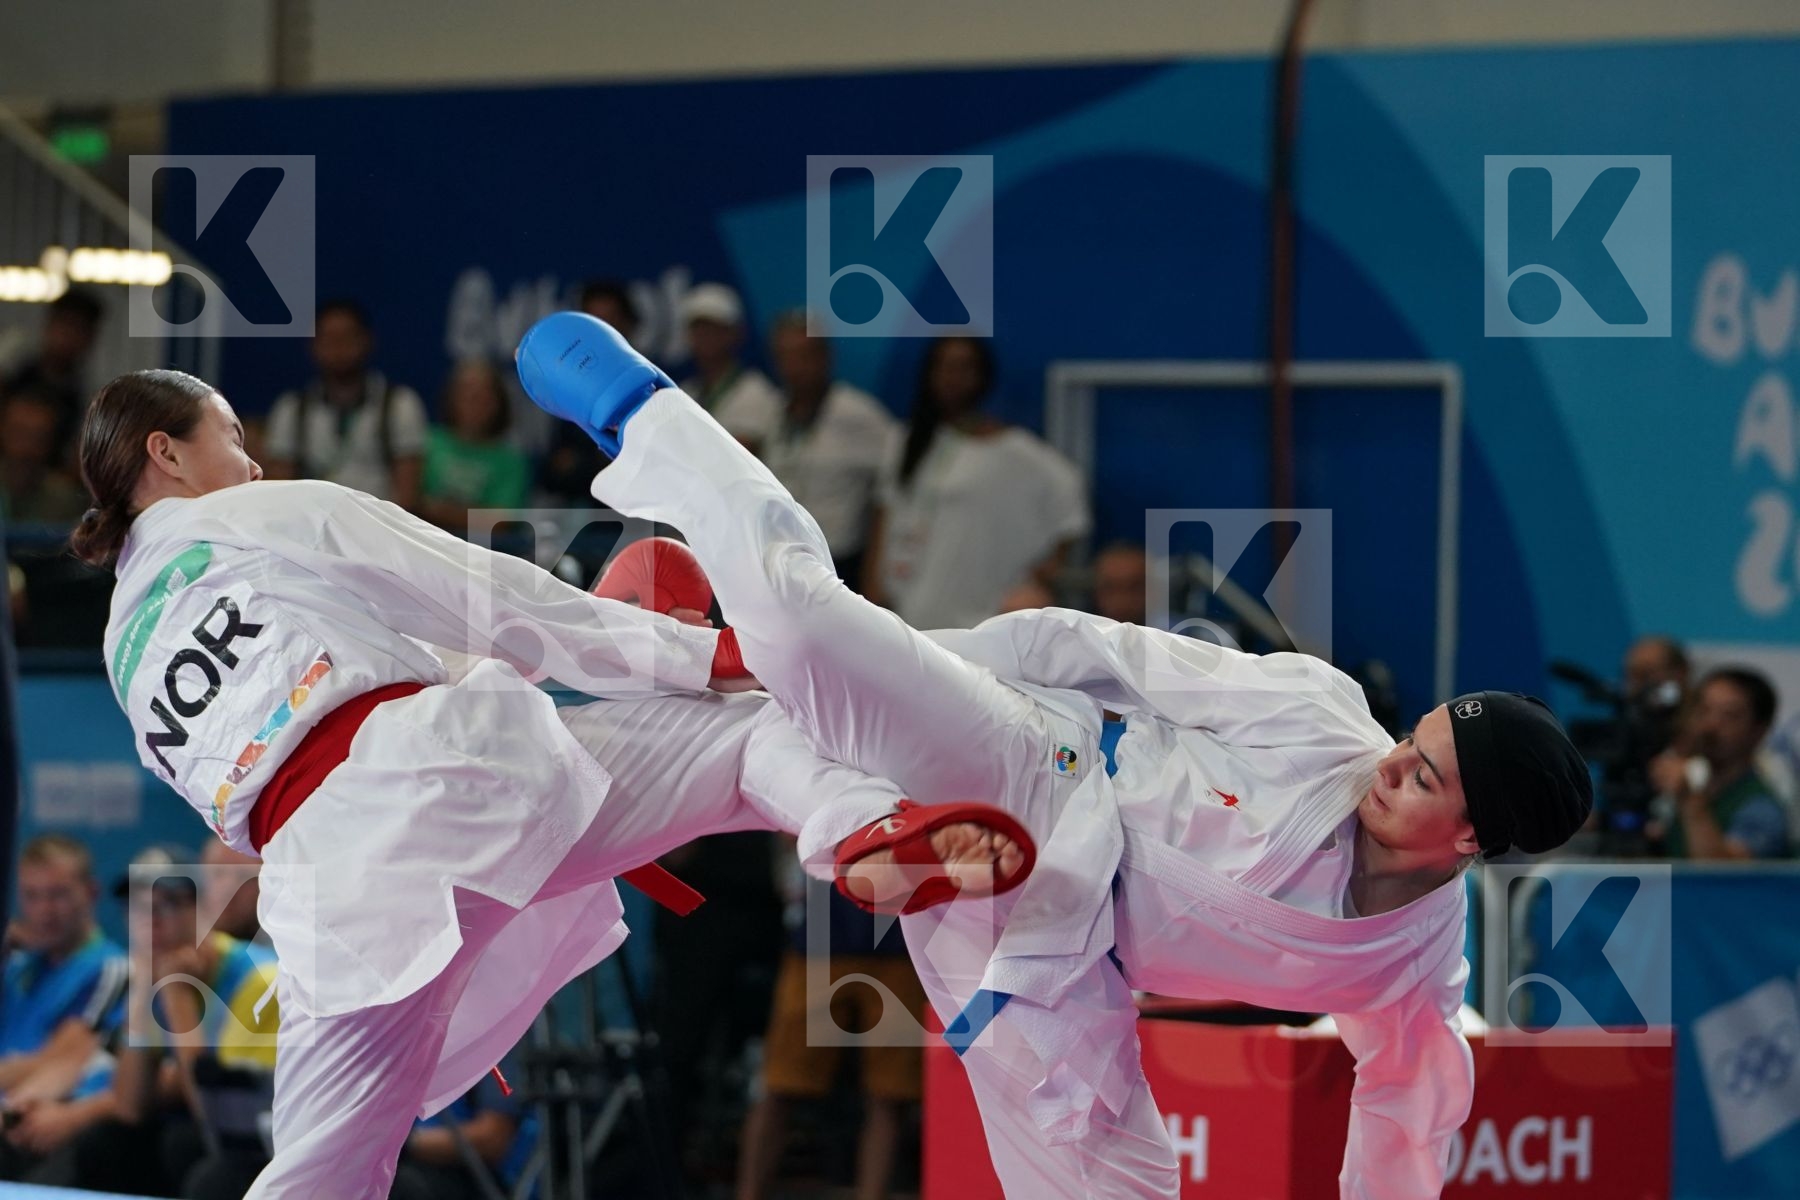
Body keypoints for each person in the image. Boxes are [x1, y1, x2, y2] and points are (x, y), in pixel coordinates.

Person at [515, 311, 1596, 1199]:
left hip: (1054, 975)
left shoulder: (1414, 966)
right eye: (1412, 741)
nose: (1389, 763)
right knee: (807, 633)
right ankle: (642, 415)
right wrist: (905, 666)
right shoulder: (1323, 719)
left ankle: (790, 745)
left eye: (1423, 774)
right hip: (1034, 770)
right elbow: (1095, 649)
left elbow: (1407, 1118)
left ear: (1470, 838)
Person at [71, 368, 1022, 1197]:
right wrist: (702, 652)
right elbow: (489, 596)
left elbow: (299, 735)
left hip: (330, 892)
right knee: (747, 735)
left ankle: (851, 827)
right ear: (169, 452)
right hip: (444, 789)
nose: (254, 463)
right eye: (234, 440)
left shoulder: (124, 648)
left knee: (316, 1176)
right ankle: (859, 830)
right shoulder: (244, 515)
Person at [735, 851, 925, 1200]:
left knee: (890, 1094)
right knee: (780, 1082)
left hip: (899, 935)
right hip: (823, 929)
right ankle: (748, 1194)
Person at [864, 338, 1088, 628]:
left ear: (983, 376)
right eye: (943, 367)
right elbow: (886, 511)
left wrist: (1043, 571)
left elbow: (1069, 499)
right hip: (905, 601)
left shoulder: (1013, 451)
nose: (952, 378)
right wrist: (872, 584)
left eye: (963, 367)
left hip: (975, 606)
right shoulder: (906, 441)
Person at [760, 312, 898, 587]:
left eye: (804, 355)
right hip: (783, 564)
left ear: (825, 357)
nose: (795, 366)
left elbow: (894, 492)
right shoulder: (771, 413)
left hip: (841, 564)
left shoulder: (859, 415)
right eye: (785, 356)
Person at [264, 300, 428, 508]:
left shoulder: (400, 405)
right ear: (313, 345)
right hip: (311, 528)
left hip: (379, 528)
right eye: (328, 339)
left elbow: (408, 496)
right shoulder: (292, 409)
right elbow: (280, 490)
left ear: (367, 340)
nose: (338, 348)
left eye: (347, 337)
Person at [1649, 666, 1791, 859]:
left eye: (1730, 716)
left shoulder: (1761, 808)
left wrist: (1690, 799)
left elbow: (1723, 879)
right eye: (1704, 710)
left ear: (1759, 730)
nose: (1711, 725)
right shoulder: (1681, 794)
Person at [417, 359, 531, 534]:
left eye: (483, 394)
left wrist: (438, 510)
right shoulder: (427, 442)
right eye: (465, 392)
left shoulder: (511, 462)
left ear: (498, 402)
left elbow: (499, 522)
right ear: (450, 397)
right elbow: (408, 502)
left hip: (481, 551)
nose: (474, 401)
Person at [3, 288, 102, 467]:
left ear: (90, 338)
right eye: (65, 325)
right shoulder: (13, 377)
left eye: (79, 329)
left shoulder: (87, 399)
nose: (68, 337)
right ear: (49, 325)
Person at [677, 283, 783, 452]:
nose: (705, 337)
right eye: (698, 329)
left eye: (714, 329)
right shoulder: (685, 391)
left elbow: (738, 453)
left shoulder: (757, 391)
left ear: (736, 333)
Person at [1, 388, 89, 525]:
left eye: (38, 438)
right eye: (19, 434)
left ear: (51, 442)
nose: (26, 449)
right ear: (3, 431)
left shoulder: (66, 500)